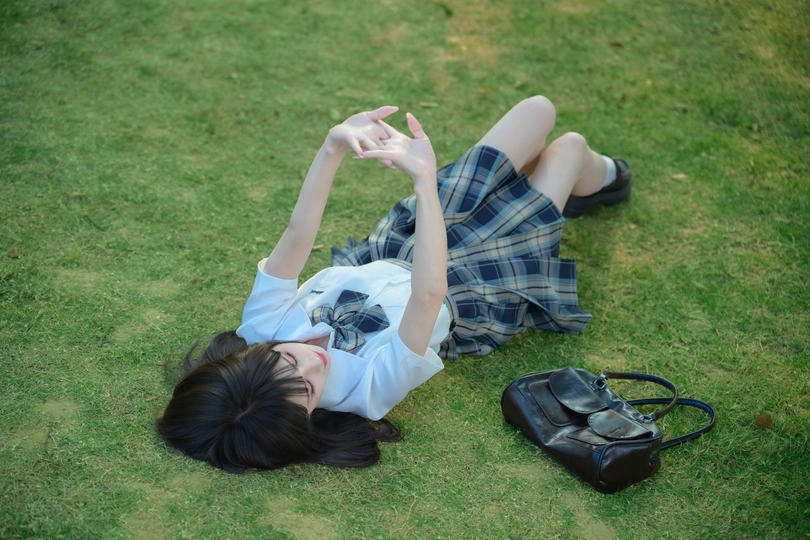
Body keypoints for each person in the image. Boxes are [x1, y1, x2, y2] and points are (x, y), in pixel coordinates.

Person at [157, 96, 632, 473]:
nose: (313, 363)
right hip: (469, 282)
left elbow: (299, 234)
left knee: (537, 110)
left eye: (288, 360)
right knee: (570, 147)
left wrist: (334, 144)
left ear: (250, 357)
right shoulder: (367, 393)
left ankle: (540, 187)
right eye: (309, 390)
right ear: (308, 422)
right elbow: (428, 294)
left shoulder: (260, 327)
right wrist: (424, 183)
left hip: (401, 245)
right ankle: (607, 179)